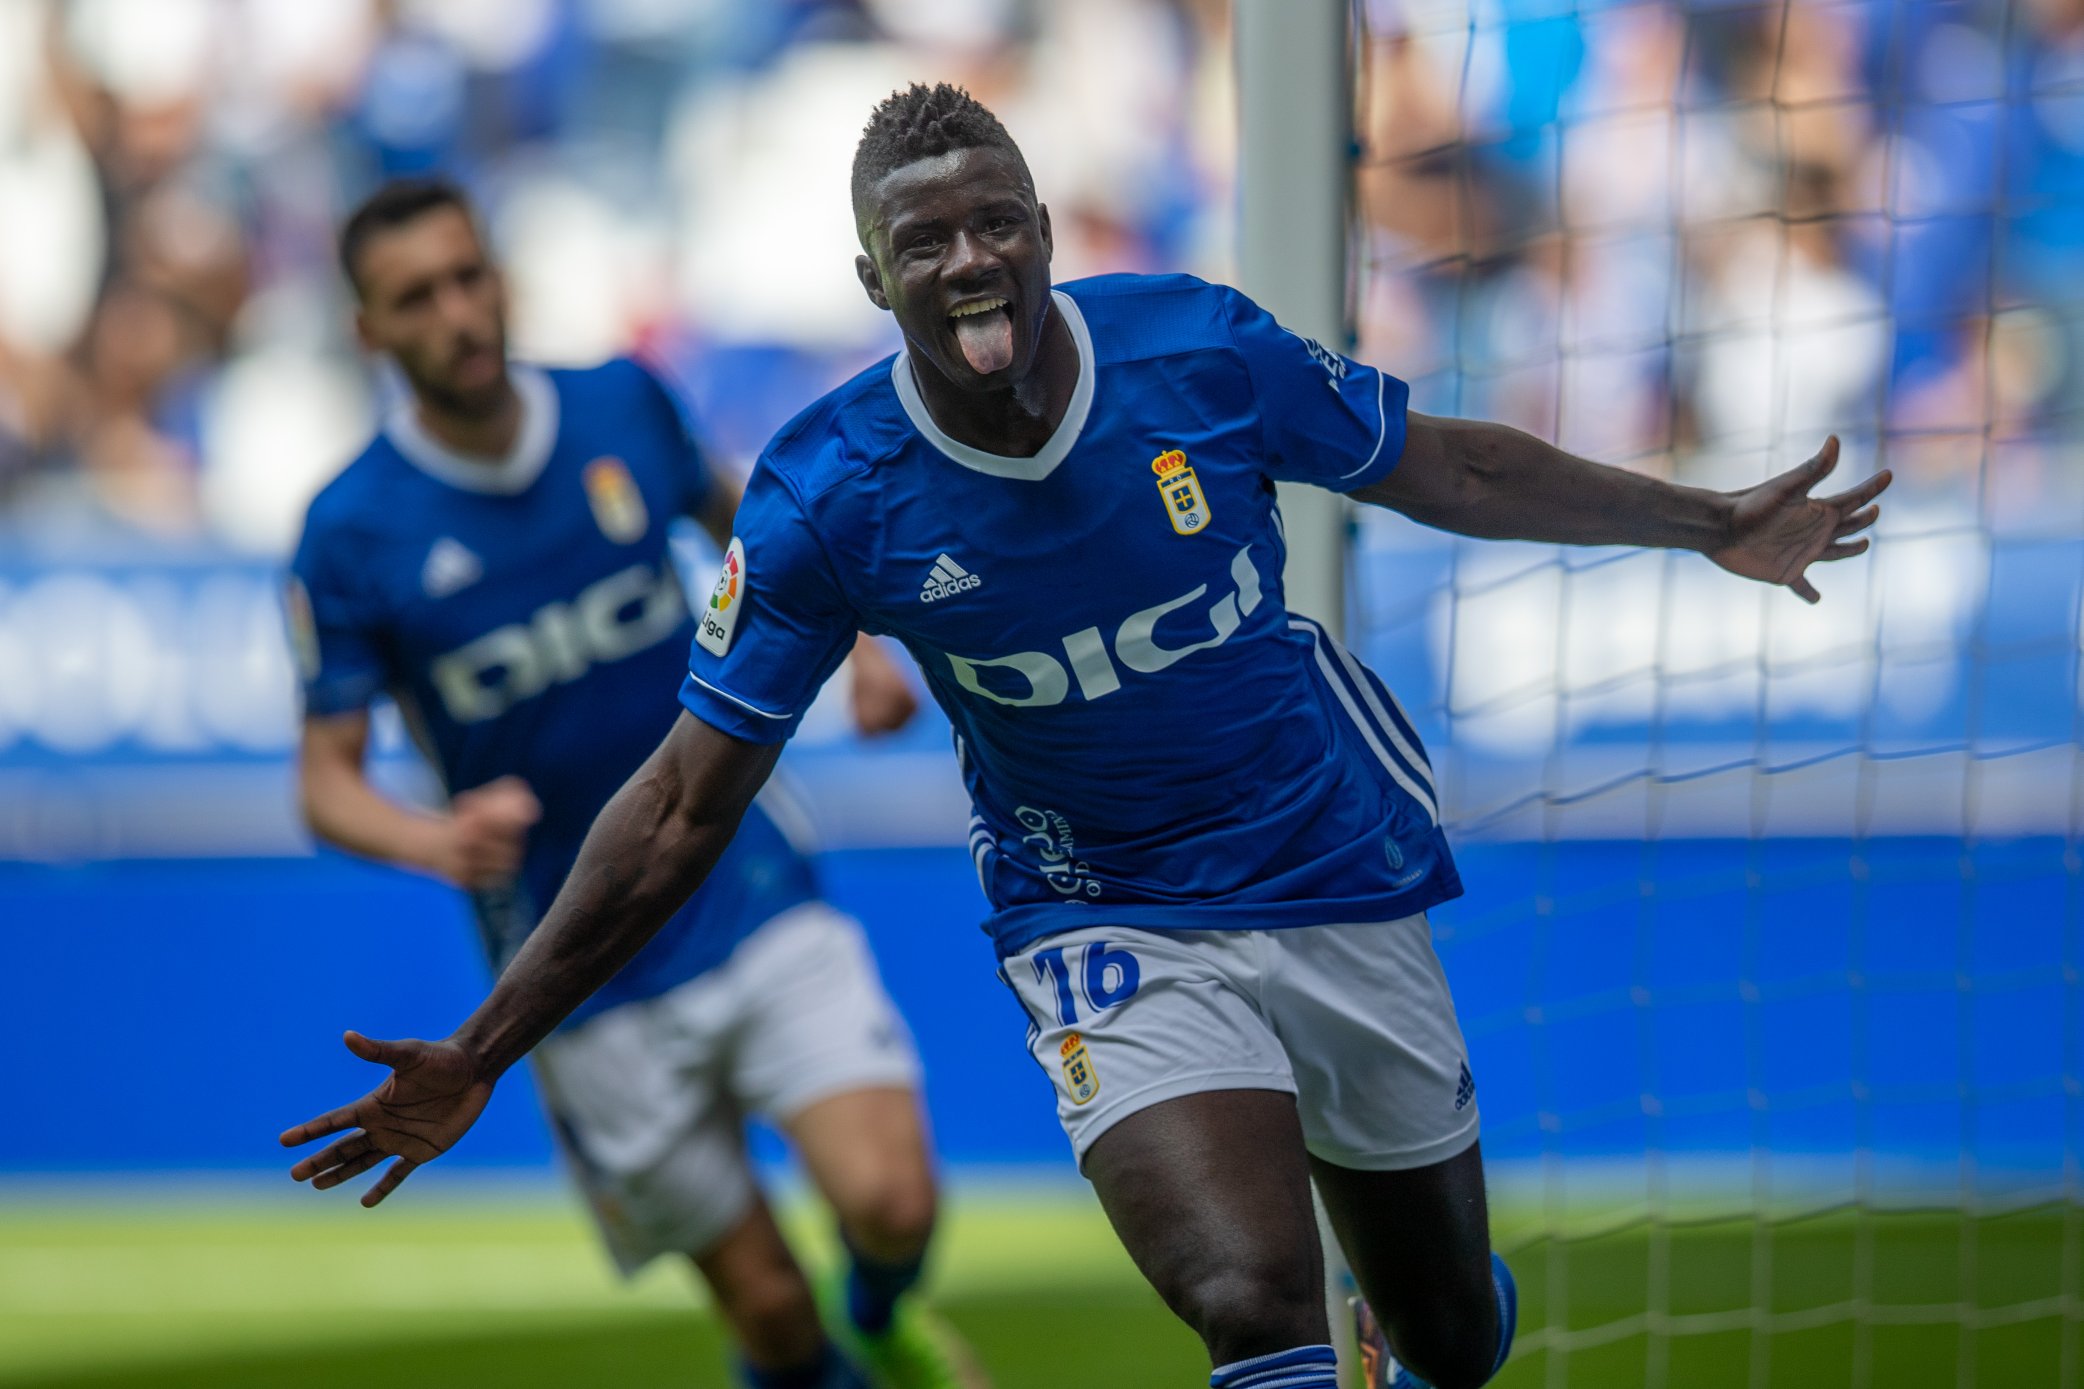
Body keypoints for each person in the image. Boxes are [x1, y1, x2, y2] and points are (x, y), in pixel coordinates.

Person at [282, 91, 1891, 1389]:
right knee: (1246, 1292)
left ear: (1048, 233)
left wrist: (1700, 522)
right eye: (926, 241)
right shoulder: (827, 496)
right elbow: (684, 803)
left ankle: (1434, 1312)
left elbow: (1445, 470)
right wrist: (484, 1046)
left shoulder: (1198, 346)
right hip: (1104, 910)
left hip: (1332, 862)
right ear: (872, 281)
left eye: (998, 223)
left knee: (1452, 1336)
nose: (969, 259)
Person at [284, 178, 984, 1389]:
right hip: (571, 964)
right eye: (416, 297)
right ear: (370, 332)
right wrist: (428, 838)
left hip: (741, 877)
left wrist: (864, 648)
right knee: (766, 1315)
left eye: (468, 276)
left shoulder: (619, 404)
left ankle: (878, 1310)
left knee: (892, 1203)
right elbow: (323, 785)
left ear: (499, 277)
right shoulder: (349, 531)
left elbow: (759, 532)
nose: (456, 313)